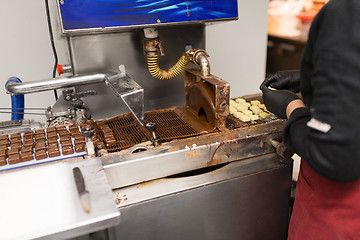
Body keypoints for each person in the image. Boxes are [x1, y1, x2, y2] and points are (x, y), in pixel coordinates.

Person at [260, 0, 360, 239]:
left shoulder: (347, 12)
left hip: (340, 219)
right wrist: (316, 77)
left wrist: (293, 109)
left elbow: (334, 155)